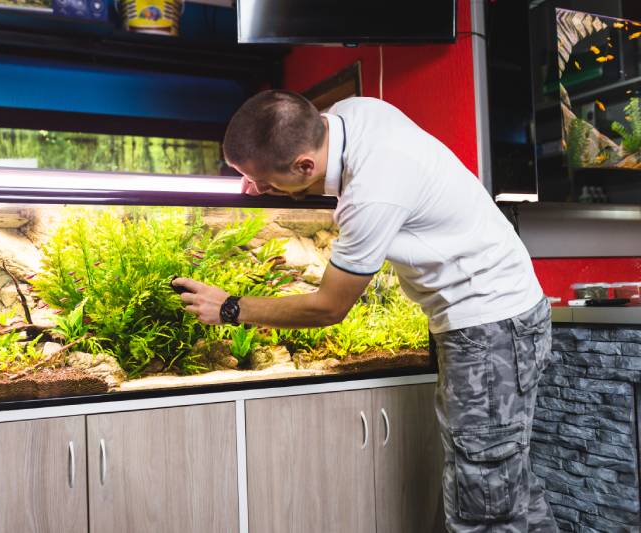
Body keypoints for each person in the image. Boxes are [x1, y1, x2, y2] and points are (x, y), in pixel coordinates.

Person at [172, 90, 558, 532]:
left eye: (264, 179)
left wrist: (230, 307)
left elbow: (329, 306)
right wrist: (265, 171)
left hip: (490, 329)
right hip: (500, 320)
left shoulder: (371, 194)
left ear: (304, 166)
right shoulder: (353, 112)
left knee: (484, 503)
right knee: (507, 485)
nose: (258, 189)